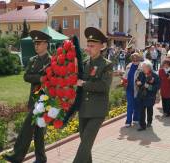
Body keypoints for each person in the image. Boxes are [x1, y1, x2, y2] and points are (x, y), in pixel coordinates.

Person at [4, 30, 52, 163]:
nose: (36, 46)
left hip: (44, 101)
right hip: (33, 100)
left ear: (46, 44)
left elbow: (54, 80)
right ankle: (41, 159)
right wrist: (40, 77)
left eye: (39, 43)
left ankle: (17, 156)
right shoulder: (32, 60)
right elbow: (26, 76)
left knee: (27, 127)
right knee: (38, 132)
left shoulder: (52, 61)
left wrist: (43, 79)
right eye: (35, 43)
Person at [73, 27, 113, 163]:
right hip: (83, 109)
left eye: (92, 46)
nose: (88, 48)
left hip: (97, 111)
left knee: (85, 144)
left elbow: (104, 86)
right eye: (88, 45)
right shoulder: (84, 63)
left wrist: (83, 83)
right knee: (85, 143)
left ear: (101, 46)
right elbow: (75, 82)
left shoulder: (106, 65)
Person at [136, 60, 160, 131]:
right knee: (141, 111)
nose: (142, 69)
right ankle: (142, 125)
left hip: (150, 96)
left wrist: (149, 87)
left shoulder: (154, 75)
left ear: (149, 68)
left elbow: (157, 86)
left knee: (149, 109)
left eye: (144, 67)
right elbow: (137, 80)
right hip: (141, 95)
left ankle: (149, 121)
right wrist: (137, 82)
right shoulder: (141, 73)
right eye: (142, 67)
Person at [122, 53, 141, 127]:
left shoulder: (141, 66)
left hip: (138, 89)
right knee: (130, 105)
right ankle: (128, 121)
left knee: (137, 104)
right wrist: (123, 81)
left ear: (139, 58)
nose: (135, 59)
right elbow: (125, 76)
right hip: (129, 88)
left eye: (136, 58)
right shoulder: (129, 66)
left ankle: (136, 119)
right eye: (133, 57)